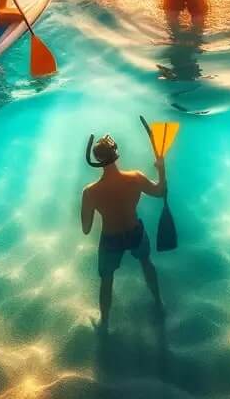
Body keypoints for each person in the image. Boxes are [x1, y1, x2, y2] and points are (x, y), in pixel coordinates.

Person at [81, 133, 165, 332]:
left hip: (111, 239)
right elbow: (160, 192)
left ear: (97, 160)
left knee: (107, 278)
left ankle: (105, 321)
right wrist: (162, 169)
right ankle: (159, 303)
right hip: (135, 232)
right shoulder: (135, 177)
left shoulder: (90, 191)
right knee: (146, 263)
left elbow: (86, 229)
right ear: (116, 154)